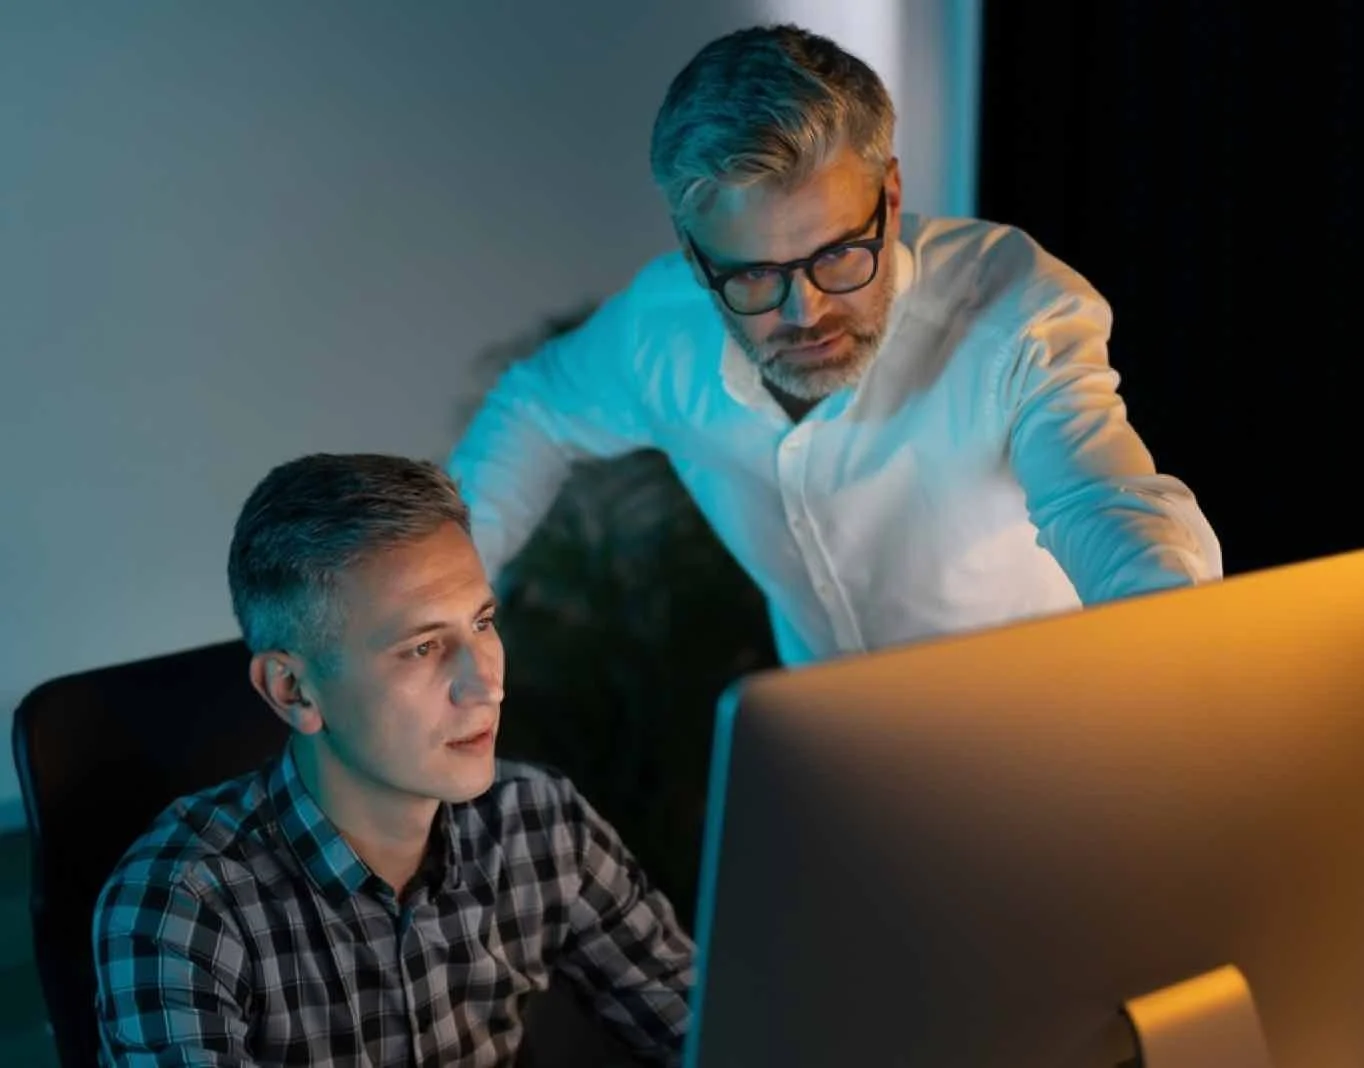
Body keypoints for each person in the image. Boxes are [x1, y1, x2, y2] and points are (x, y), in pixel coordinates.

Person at [447, 24, 1222, 667]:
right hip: (835, 763)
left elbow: (1098, 500)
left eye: (837, 256)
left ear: (889, 197)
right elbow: (537, 408)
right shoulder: (662, 332)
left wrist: (1171, 636)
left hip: (1052, 753)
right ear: (694, 257)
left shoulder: (1010, 313)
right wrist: (443, 611)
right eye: (753, 275)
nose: (805, 310)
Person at [92, 454, 693, 1067]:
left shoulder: (540, 821)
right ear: (292, 690)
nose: (485, 686)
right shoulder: (184, 904)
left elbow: (707, 1028)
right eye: (423, 646)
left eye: (483, 622)